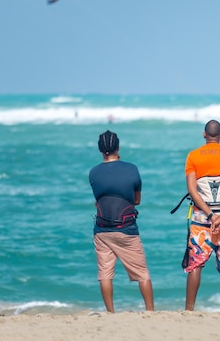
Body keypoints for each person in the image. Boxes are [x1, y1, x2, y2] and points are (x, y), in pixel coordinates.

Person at [88, 130, 154, 313]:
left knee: (105, 273)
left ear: (100, 149)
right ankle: (150, 311)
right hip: (127, 229)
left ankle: (110, 312)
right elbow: (137, 200)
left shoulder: (93, 172)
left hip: (102, 229)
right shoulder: (131, 169)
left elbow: (99, 198)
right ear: (118, 146)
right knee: (142, 273)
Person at [184, 120, 220, 311]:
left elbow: (193, 190)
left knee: (195, 265)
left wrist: (210, 215)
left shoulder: (193, 156)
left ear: (204, 135)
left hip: (202, 217)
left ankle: (189, 310)